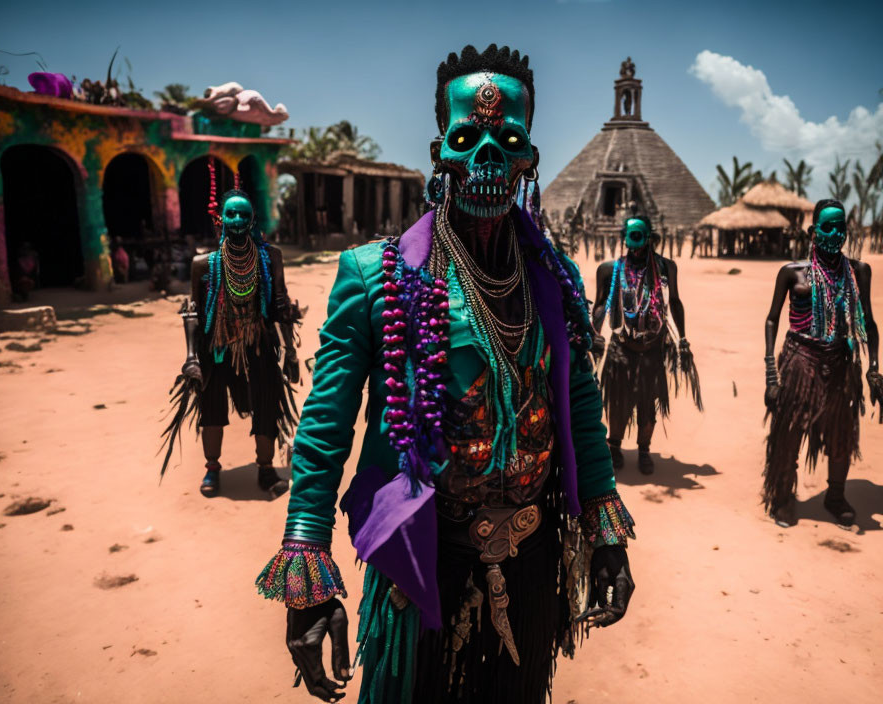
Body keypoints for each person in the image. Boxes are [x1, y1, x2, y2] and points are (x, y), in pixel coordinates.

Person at [257, 44, 635, 704]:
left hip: (529, 561)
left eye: (508, 138)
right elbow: (323, 429)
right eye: (468, 137)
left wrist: (605, 532)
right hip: (422, 562)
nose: (488, 155)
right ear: (440, 152)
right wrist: (307, 561)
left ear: (529, 159)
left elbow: (579, 404)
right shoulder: (373, 276)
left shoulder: (553, 275)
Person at [160, 189, 302, 496]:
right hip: (216, 346)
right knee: (210, 404)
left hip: (259, 343)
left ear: (253, 221)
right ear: (220, 219)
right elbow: (194, 312)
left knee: (266, 403)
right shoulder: (203, 264)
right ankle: (213, 468)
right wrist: (192, 358)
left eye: (244, 215)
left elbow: (280, 305)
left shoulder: (271, 258)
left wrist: (290, 351)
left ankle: (265, 468)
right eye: (231, 214)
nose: (237, 220)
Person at [763, 199, 881, 527]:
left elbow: (869, 322)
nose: (835, 234)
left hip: (841, 363)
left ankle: (835, 495)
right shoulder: (792, 273)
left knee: (842, 433)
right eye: (827, 227)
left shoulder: (858, 271)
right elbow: (772, 320)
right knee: (788, 431)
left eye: (840, 227)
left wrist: (873, 368)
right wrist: (771, 374)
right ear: (813, 232)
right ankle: (783, 496)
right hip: (799, 362)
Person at [592, 215, 702, 473]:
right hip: (621, 345)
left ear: (650, 237)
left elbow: (674, 301)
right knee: (617, 403)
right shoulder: (609, 270)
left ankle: (644, 449)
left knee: (648, 404)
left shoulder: (666, 268)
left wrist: (683, 339)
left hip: (653, 347)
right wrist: (594, 332)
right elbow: (599, 305)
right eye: (630, 238)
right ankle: (614, 446)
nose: (634, 245)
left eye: (639, 238)